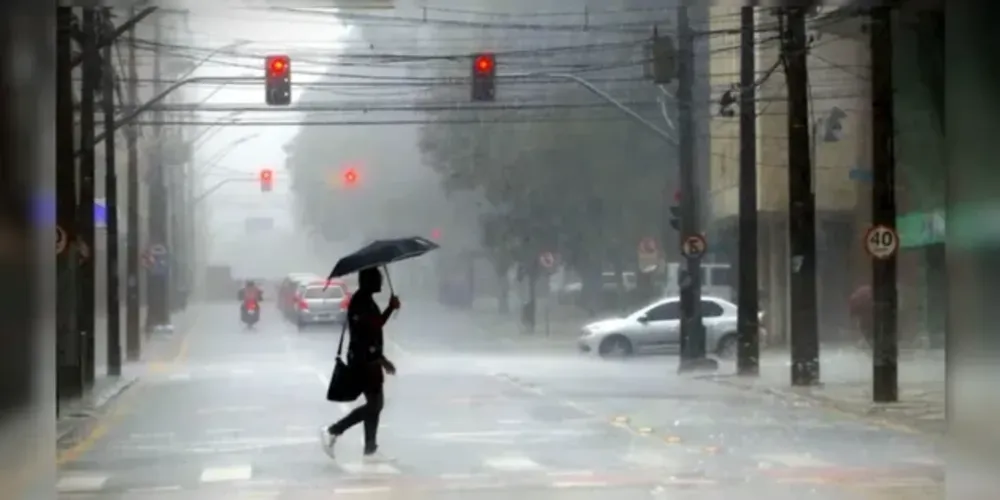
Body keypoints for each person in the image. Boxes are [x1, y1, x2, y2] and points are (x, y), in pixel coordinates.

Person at [321, 267, 401, 459]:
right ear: (368, 281)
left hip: (369, 359)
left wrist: (390, 308)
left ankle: (370, 447)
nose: (381, 282)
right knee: (374, 405)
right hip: (363, 360)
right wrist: (382, 360)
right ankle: (334, 430)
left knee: (375, 404)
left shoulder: (365, 300)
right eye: (377, 278)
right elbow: (366, 334)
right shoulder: (360, 302)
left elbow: (375, 325)